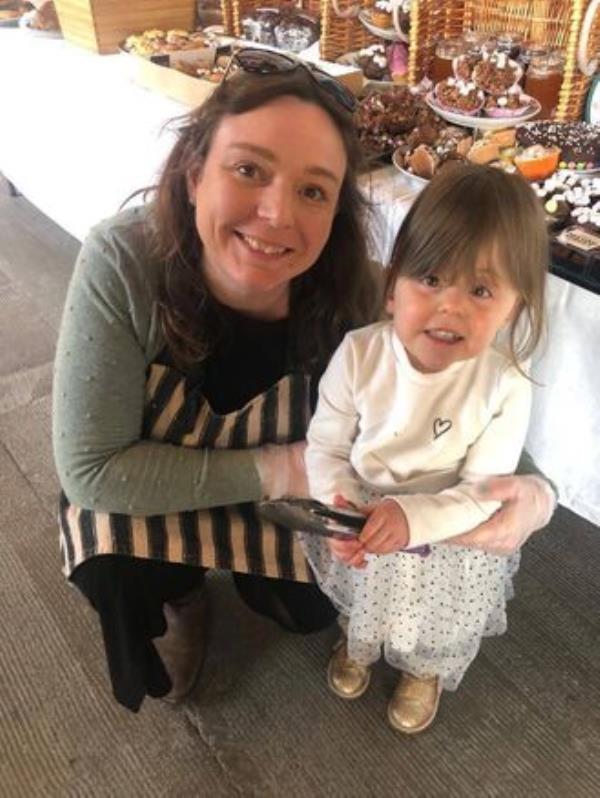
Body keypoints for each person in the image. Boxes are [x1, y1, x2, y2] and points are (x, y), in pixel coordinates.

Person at [52, 50, 556, 714]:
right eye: (247, 169)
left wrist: (534, 494)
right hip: (162, 483)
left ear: (338, 209)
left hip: (298, 495)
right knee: (120, 565)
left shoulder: (364, 293)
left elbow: (458, 399)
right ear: (193, 171)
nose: (275, 215)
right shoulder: (124, 260)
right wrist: (283, 467)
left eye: (313, 189)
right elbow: (92, 469)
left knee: (312, 608)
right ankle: (176, 588)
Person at [302, 164, 553, 735]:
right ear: (392, 286)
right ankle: (359, 641)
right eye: (430, 279)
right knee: (363, 594)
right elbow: (324, 445)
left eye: (482, 290)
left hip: (446, 534)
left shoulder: (505, 382)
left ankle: (424, 670)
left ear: (513, 306)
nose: (450, 307)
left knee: (431, 621)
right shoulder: (359, 354)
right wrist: (338, 508)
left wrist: (411, 519)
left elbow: (485, 491)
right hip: (361, 513)